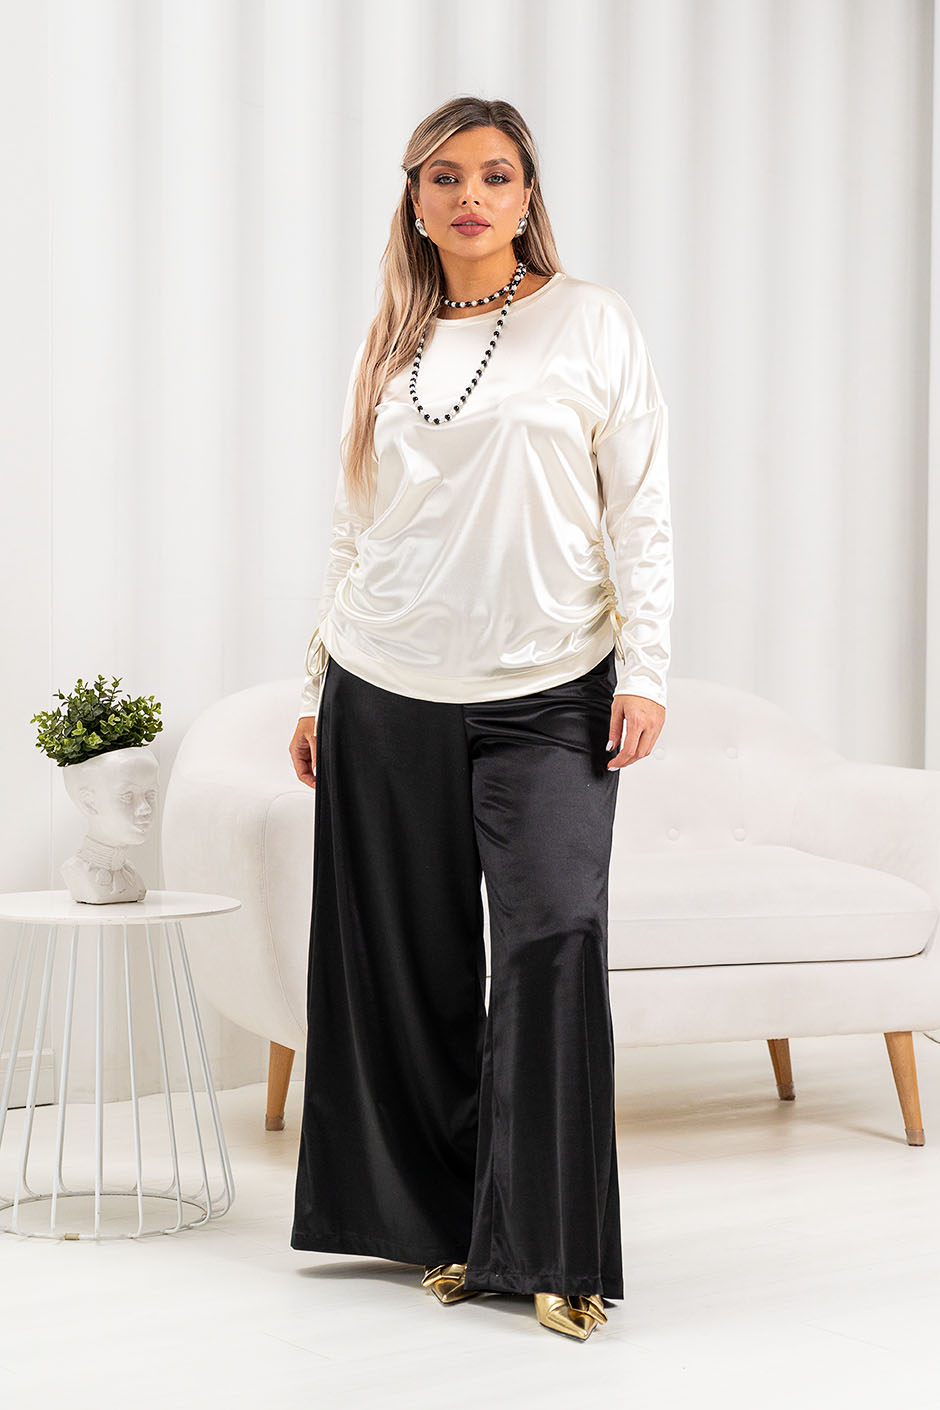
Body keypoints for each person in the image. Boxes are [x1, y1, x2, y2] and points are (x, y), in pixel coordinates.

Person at [288, 95, 674, 1342]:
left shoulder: (591, 321)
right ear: (414, 199)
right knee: (410, 964)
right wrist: (315, 684)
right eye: (444, 175)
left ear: (526, 196)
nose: (470, 195)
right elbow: (355, 527)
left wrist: (646, 670)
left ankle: (553, 1250)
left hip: (551, 687)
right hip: (383, 681)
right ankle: (445, 1232)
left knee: (554, 936)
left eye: (495, 175)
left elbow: (640, 507)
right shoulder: (390, 342)